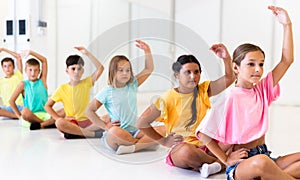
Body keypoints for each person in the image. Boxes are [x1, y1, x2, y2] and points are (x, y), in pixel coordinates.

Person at [197, 6, 300, 180]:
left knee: (268, 162)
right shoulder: (230, 97)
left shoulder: (262, 89)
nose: (258, 69)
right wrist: (226, 159)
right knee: (261, 163)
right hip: (243, 164)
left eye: (261, 64)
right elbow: (204, 133)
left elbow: (287, 60)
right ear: (236, 67)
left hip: (265, 154)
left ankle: (274, 177)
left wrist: (287, 25)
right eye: (251, 64)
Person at [136, 43, 235, 178]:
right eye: (187, 72)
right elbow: (142, 123)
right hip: (182, 148)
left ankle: (208, 163)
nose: (193, 76)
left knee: (237, 135)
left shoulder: (203, 90)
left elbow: (229, 78)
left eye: (196, 72)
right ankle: (222, 163)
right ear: (177, 75)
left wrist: (226, 59)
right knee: (186, 153)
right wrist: (164, 141)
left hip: (208, 146)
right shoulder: (167, 99)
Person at [86, 40, 163, 154]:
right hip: (119, 132)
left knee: (163, 130)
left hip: (136, 131)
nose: (125, 73)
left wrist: (147, 51)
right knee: (114, 133)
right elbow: (89, 111)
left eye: (128, 70)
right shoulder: (107, 91)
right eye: (120, 70)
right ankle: (145, 144)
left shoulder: (132, 85)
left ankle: (133, 146)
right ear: (113, 72)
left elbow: (148, 69)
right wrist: (105, 125)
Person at [44, 46, 104, 139]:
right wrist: (59, 118)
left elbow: (100, 68)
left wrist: (88, 53)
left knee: (108, 118)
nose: (76, 72)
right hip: (73, 122)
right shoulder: (62, 88)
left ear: (83, 71)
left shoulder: (87, 83)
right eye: (73, 69)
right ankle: (89, 134)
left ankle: (78, 133)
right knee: (59, 123)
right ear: (67, 71)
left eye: (79, 69)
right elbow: (47, 106)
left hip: (88, 122)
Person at [9, 50, 58, 130]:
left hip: (45, 115)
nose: (33, 73)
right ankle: (47, 124)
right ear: (25, 71)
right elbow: (11, 101)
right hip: (30, 116)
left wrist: (31, 52)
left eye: (36, 70)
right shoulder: (23, 84)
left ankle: (41, 124)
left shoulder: (42, 80)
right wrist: (19, 116)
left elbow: (44, 60)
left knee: (64, 111)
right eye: (30, 70)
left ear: (39, 71)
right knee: (24, 112)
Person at [0, 48, 23, 119]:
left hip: (20, 107)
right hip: (8, 108)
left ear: (13, 67)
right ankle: (16, 116)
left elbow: (18, 57)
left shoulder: (18, 75)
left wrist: (4, 50)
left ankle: (18, 115)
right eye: (5, 66)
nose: (7, 68)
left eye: (10, 65)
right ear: (2, 68)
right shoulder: (1, 81)